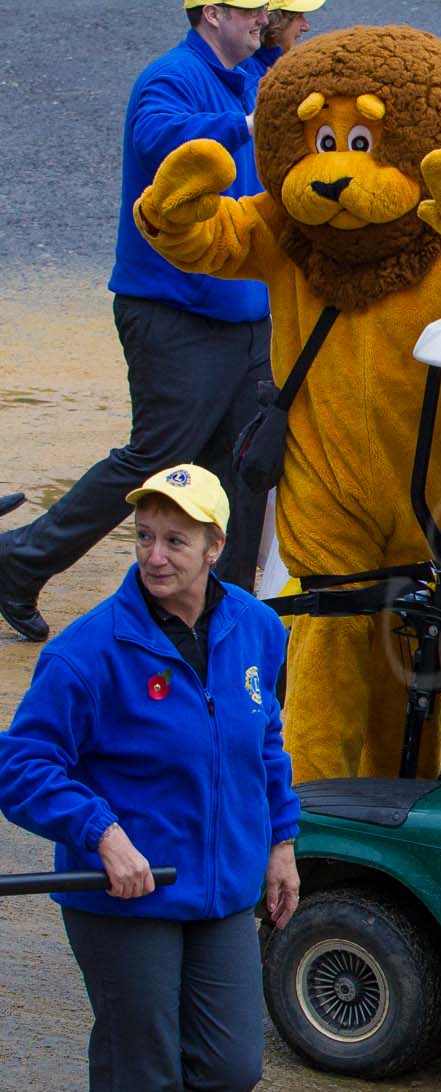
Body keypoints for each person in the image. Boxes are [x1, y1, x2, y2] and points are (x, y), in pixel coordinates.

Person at [0, 464, 299, 1092]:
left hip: (221, 886)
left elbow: (265, 742)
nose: (157, 555)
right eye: (146, 538)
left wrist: (281, 839)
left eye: (177, 539)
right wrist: (100, 830)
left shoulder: (257, 630)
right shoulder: (89, 650)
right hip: (121, 892)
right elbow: (22, 765)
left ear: (216, 546)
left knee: (232, 1064)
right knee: (148, 1073)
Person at [0, 0, 273, 644]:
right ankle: (20, 560)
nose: (263, 17)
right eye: (252, 8)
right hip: (174, 314)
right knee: (158, 457)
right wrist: (245, 123)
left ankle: (213, 617)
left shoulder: (253, 75)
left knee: (243, 469)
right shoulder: (168, 77)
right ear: (212, 13)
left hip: (246, 313)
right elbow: (160, 141)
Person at [255, 0, 324, 66]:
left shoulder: (263, 64)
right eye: (299, 16)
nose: (306, 27)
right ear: (274, 22)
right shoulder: (254, 74)